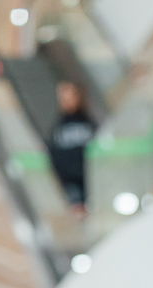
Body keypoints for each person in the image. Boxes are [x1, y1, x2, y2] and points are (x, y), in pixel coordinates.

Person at [47, 80, 96, 214]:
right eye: (64, 98)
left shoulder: (90, 123)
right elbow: (56, 162)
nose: (68, 101)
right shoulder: (57, 129)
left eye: (71, 96)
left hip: (96, 182)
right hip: (75, 190)